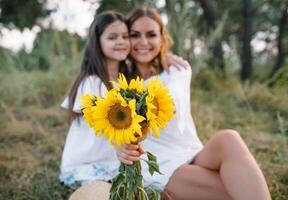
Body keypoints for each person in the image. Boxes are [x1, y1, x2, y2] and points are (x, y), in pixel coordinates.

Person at [116, 7, 272, 200]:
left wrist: (164, 57)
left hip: (192, 153)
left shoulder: (177, 70)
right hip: (159, 163)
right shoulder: (117, 79)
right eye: (135, 35)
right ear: (125, 38)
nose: (143, 42)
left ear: (162, 39)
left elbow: (168, 100)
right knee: (235, 190)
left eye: (151, 35)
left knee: (229, 138)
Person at [60, 10, 187, 187]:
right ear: (98, 43)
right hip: (85, 165)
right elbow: (100, 123)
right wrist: (118, 143)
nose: (121, 42)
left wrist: (164, 55)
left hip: (114, 164)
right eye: (112, 38)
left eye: (125, 36)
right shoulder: (91, 82)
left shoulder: (126, 80)